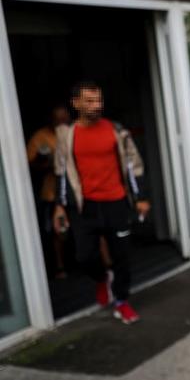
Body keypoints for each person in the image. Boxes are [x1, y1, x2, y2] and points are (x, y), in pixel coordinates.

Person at [52, 81, 150, 324]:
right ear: (76, 103)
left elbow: (133, 166)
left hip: (116, 202)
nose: (96, 106)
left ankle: (121, 301)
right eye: (89, 101)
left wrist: (141, 198)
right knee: (84, 257)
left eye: (98, 101)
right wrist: (59, 205)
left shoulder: (116, 131)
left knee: (122, 257)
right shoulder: (67, 135)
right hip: (85, 206)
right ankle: (101, 279)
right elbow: (61, 172)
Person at [27, 105, 71, 279]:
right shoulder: (40, 137)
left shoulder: (74, 131)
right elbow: (28, 163)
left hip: (76, 188)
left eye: (65, 119)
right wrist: (44, 164)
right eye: (58, 119)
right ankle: (60, 265)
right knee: (57, 229)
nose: (62, 122)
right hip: (52, 190)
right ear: (51, 120)